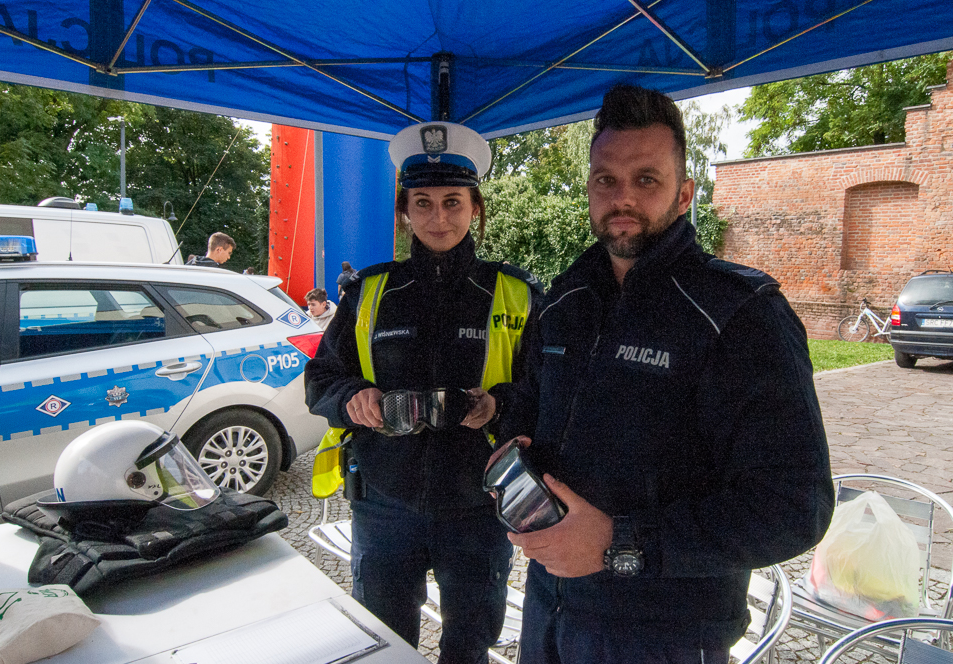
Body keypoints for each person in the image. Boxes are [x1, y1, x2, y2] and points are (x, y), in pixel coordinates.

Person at [497, 85, 834, 664]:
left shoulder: (741, 314)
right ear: (588, 190)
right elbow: (523, 412)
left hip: (666, 639)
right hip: (547, 617)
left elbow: (794, 505)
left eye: (646, 179)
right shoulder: (564, 302)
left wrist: (618, 545)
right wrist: (510, 458)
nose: (622, 197)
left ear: (683, 195)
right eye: (606, 179)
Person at [305, 121, 542, 664]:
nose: (439, 218)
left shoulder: (517, 292)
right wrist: (353, 399)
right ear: (404, 210)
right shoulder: (368, 291)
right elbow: (319, 380)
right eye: (424, 203)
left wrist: (497, 406)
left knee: (469, 643)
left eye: (453, 202)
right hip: (385, 503)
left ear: (476, 208)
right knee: (385, 642)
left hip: (479, 503)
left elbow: (547, 390)